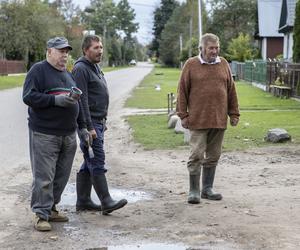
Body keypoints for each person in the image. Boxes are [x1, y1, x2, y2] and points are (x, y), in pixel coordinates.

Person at [23, 37, 80, 231]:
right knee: (44, 177)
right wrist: (56, 101)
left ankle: (52, 209)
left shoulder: (68, 74)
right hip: (45, 133)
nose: (65, 55)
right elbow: (28, 96)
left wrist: (82, 126)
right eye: (60, 51)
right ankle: (41, 215)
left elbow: (77, 103)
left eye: (67, 51)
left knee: (61, 176)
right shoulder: (38, 70)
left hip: (69, 134)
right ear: (49, 51)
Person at [176, 33, 240, 204]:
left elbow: (231, 90)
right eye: (211, 48)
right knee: (196, 154)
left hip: (219, 119)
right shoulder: (191, 65)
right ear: (202, 48)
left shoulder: (224, 63)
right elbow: (182, 90)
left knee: (214, 155)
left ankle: (207, 189)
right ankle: (194, 191)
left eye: (217, 48)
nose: (214, 51)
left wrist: (234, 113)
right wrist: (182, 114)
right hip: (197, 119)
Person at [72, 34, 127, 214]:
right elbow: (82, 100)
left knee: (89, 160)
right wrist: (89, 127)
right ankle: (106, 201)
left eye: (101, 47)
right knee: (96, 159)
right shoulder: (81, 69)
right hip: (90, 124)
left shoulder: (95, 67)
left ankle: (83, 201)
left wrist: (103, 121)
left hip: (98, 122)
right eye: (96, 48)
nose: (100, 51)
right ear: (85, 50)